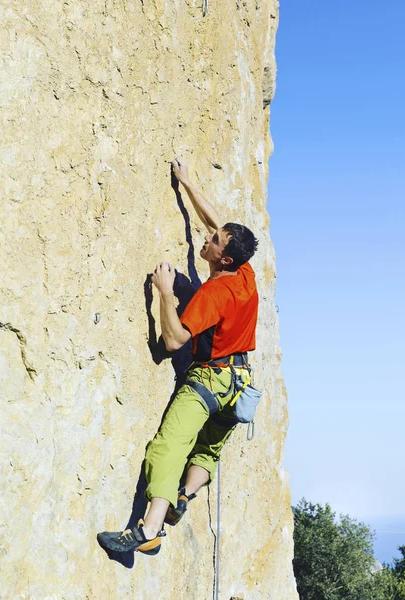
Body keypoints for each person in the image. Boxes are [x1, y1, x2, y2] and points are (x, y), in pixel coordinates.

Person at [98, 157, 259, 556]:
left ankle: (149, 531)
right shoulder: (244, 272)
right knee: (207, 451)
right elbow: (215, 220)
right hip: (239, 385)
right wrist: (187, 184)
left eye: (214, 241)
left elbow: (172, 342)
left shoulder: (213, 295)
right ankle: (184, 495)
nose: (207, 238)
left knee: (167, 448)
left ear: (223, 258)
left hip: (207, 381)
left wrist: (164, 292)